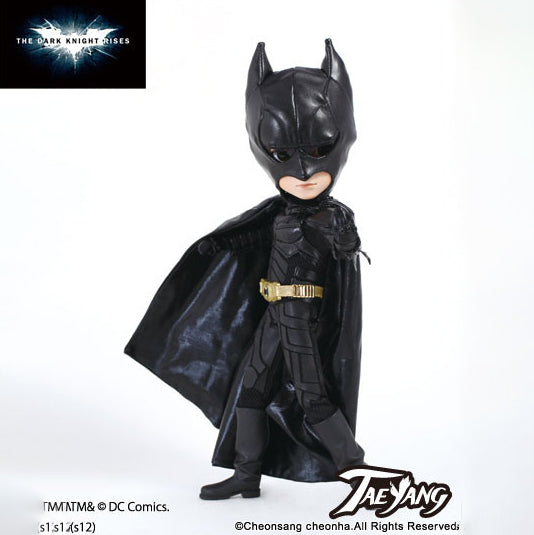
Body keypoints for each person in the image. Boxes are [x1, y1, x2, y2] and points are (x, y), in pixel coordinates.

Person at [125, 39, 368, 501]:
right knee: (251, 391)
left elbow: (347, 252)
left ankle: (356, 469)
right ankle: (246, 474)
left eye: (320, 148)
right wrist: (216, 243)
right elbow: (251, 237)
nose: (303, 170)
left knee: (312, 396)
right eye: (281, 154)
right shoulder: (276, 212)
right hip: (273, 316)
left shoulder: (332, 216)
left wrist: (343, 236)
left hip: (302, 318)